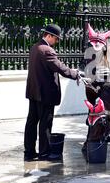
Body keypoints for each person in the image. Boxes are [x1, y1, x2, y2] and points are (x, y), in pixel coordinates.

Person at [24, 24, 82, 161]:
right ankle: (44, 153)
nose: (56, 42)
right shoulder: (47, 50)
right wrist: (75, 74)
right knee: (45, 124)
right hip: (45, 95)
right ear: (49, 36)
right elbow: (60, 67)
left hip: (34, 92)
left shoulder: (34, 48)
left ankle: (29, 152)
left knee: (31, 123)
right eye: (56, 39)